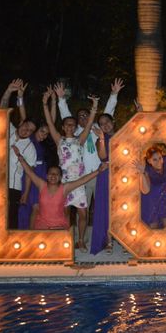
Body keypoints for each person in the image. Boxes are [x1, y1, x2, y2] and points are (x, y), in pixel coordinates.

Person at [43, 89, 99, 252]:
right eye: (67, 124)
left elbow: (89, 124)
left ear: (75, 128)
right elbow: (50, 123)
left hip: (79, 182)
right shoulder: (59, 140)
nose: (70, 126)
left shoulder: (79, 140)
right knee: (65, 214)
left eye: (73, 125)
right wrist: (45, 104)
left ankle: (81, 240)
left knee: (83, 213)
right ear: (63, 126)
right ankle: (67, 241)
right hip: (65, 182)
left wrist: (94, 106)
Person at [55, 78, 123, 210]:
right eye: (80, 116)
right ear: (76, 120)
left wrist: (114, 94)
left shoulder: (99, 128)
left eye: (86, 115)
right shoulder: (76, 135)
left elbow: (108, 112)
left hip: (100, 173)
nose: (84, 117)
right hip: (84, 176)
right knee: (83, 211)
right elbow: (65, 115)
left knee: (103, 206)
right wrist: (61, 99)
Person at [13, 146, 107, 230]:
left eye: (56, 174)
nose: (53, 176)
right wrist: (20, 157)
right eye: (51, 173)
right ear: (46, 176)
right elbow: (29, 172)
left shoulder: (65, 188)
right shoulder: (42, 185)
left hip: (59, 226)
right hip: (41, 226)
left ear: (60, 177)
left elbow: (82, 180)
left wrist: (98, 171)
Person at [17, 85, 57, 229]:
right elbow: (23, 118)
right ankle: (29, 235)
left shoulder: (44, 143)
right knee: (31, 205)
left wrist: (53, 100)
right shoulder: (30, 138)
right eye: (42, 131)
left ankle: (32, 234)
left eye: (46, 133)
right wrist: (20, 97)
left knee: (39, 207)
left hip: (42, 175)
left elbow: (51, 122)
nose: (44, 135)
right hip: (30, 174)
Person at [0, 79, 37, 229]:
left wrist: (26, 193)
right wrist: (9, 91)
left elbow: (29, 173)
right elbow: (1, 110)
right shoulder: (8, 129)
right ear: (21, 123)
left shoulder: (30, 148)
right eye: (26, 126)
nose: (26, 131)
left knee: (11, 218)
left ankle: (9, 247)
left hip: (13, 186)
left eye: (30, 131)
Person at [90, 114, 115, 254]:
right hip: (105, 176)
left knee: (121, 208)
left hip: (121, 174)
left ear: (113, 121)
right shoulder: (101, 139)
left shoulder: (123, 133)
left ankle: (124, 240)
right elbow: (103, 157)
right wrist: (101, 138)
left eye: (107, 121)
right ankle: (109, 240)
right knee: (107, 208)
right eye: (101, 123)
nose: (105, 125)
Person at [133, 146, 166, 229]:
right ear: (149, 161)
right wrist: (142, 173)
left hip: (165, 194)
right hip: (152, 197)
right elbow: (145, 191)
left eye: (160, 158)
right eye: (154, 159)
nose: (159, 161)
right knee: (153, 225)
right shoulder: (147, 169)